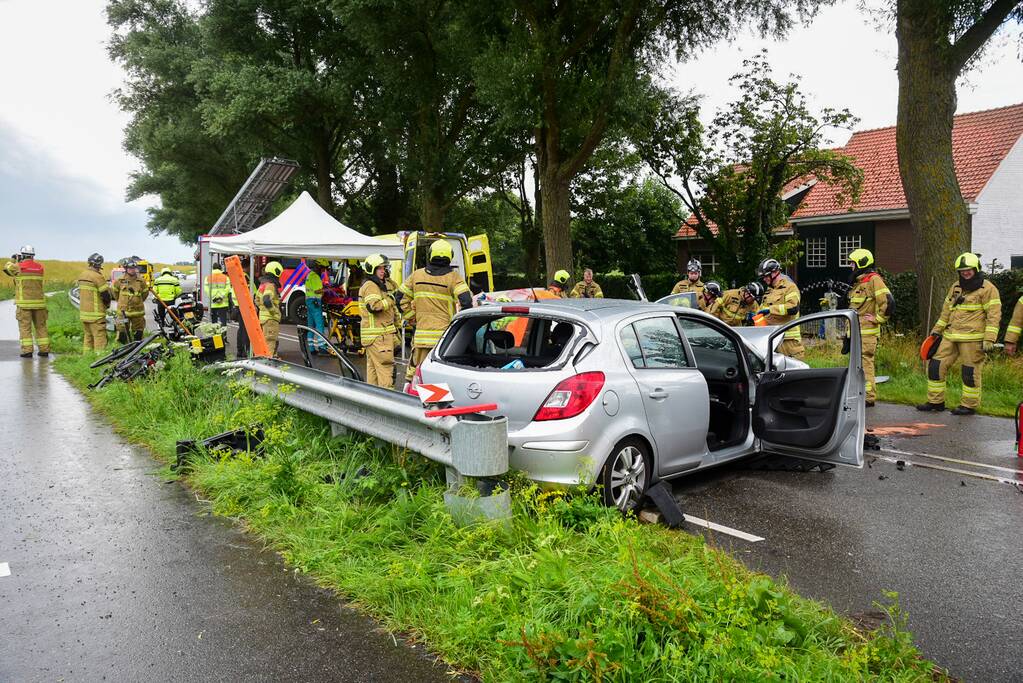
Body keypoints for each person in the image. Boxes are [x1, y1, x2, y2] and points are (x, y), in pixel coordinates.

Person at [917, 252, 1001, 415]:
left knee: (970, 372)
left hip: (973, 339)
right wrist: (936, 331)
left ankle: (968, 406)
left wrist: (989, 338)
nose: (965, 273)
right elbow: (946, 311)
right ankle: (936, 402)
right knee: (935, 366)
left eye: (968, 270)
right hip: (950, 335)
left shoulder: (988, 289)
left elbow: (994, 315)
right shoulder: (956, 287)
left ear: (976, 269)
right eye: (962, 271)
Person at [399, 240, 472, 382]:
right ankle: (436, 403)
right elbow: (466, 301)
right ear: (449, 256)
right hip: (444, 340)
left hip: (421, 339)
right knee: (439, 379)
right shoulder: (453, 278)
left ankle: (414, 402)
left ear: (431, 255)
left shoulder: (416, 276)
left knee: (417, 377)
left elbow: (400, 298)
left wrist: (412, 318)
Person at [845, 249, 893, 407]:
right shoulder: (860, 283)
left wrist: (878, 318)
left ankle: (868, 397)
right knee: (856, 366)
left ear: (861, 264)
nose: (850, 266)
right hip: (856, 334)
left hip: (866, 335)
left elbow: (888, 302)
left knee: (866, 365)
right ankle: (859, 394)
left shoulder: (874, 280)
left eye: (852, 263)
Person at [358, 254, 397, 388]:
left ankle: (372, 401)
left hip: (374, 338)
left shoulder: (374, 284)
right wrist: (392, 299)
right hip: (379, 337)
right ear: (372, 270)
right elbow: (374, 306)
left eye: (383, 268)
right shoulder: (371, 285)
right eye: (379, 268)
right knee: (386, 370)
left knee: (373, 372)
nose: (383, 271)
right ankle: (388, 402)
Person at [3, 245, 48, 357]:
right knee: (41, 327)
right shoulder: (40, 268)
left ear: (22, 255)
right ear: (33, 255)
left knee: (25, 327)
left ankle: (27, 351)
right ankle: (44, 350)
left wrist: (13, 259)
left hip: (24, 305)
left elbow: (7, 268)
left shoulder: (18, 267)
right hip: (39, 304)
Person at [757, 258, 804, 359]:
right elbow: (762, 310)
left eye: (766, 276)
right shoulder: (769, 291)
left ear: (775, 273)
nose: (764, 279)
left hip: (788, 341)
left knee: (793, 374)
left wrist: (771, 310)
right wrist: (756, 315)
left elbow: (793, 308)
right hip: (772, 340)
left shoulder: (790, 287)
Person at [78, 253, 111, 352]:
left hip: (84, 314)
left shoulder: (82, 275)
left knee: (88, 338)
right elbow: (105, 295)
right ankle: (99, 360)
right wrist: (107, 305)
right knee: (99, 338)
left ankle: (87, 358)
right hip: (96, 315)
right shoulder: (97, 277)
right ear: (99, 264)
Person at [112, 258, 149, 343]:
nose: (133, 270)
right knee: (122, 331)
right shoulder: (119, 281)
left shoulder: (141, 281)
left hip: (138, 312)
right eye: (130, 268)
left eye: (134, 268)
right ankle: (123, 349)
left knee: (138, 332)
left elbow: (145, 294)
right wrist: (122, 302)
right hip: (123, 312)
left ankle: (137, 348)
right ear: (125, 269)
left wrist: (137, 301)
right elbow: (115, 294)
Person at [256, 261, 283, 356]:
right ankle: (269, 365)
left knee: (264, 343)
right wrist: (274, 311)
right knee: (270, 343)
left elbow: (257, 300)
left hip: (263, 319)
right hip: (270, 320)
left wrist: (263, 310)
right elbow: (266, 300)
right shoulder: (270, 285)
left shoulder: (262, 284)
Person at [304, 259, 328, 352]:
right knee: (319, 324)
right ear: (318, 267)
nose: (323, 271)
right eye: (323, 268)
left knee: (311, 325)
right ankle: (322, 346)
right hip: (315, 302)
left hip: (309, 301)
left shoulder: (309, 275)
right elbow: (317, 290)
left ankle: (311, 347)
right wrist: (326, 290)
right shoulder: (315, 276)